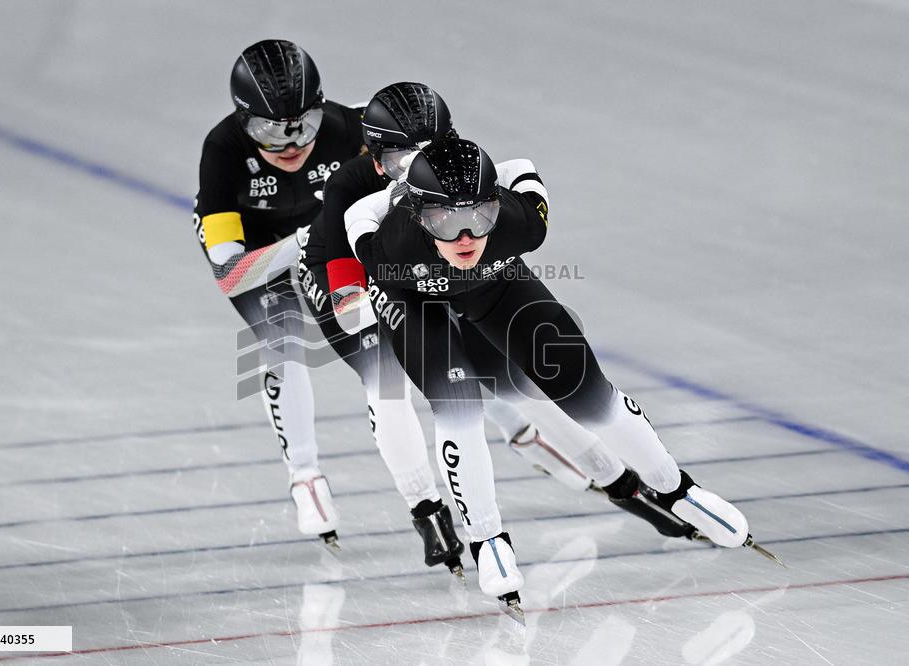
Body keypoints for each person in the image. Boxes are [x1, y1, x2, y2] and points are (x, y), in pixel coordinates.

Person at [345, 138, 753, 622]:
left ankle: (676, 488)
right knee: (459, 408)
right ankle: (486, 538)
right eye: (445, 223)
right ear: (418, 216)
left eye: (480, 217)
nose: (466, 237)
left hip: (495, 285)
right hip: (414, 299)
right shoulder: (391, 246)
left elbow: (518, 166)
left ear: (497, 206)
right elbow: (356, 215)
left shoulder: (522, 224)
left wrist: (672, 486)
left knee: (587, 391)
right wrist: (393, 199)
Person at [300, 82, 605, 575]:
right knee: (388, 381)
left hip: (419, 257)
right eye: (400, 161)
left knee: (483, 343)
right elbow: (350, 307)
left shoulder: (450, 169)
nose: (415, 169)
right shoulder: (350, 188)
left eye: (430, 151)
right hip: (355, 272)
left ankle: (524, 429)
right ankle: (426, 508)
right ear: (376, 160)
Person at [193, 39, 364, 547]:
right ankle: (305, 475)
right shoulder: (222, 149)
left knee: (404, 316)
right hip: (253, 248)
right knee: (282, 340)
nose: (291, 144)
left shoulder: (348, 128)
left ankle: (511, 423)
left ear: (322, 107)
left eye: (304, 124)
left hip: (316, 231)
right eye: (270, 131)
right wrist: (303, 242)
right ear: (243, 121)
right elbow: (231, 274)